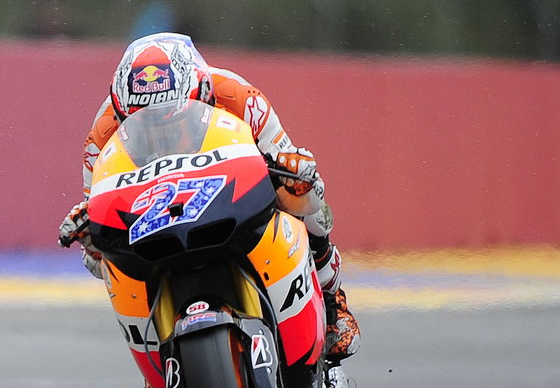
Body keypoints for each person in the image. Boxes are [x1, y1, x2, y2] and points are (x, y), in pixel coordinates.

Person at [56, 32, 359, 361]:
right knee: (100, 263)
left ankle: (333, 304)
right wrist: (90, 237)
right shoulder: (101, 137)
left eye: (171, 118)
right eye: (144, 121)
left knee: (305, 193)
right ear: (121, 109)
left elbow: (288, 163)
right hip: (156, 213)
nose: (161, 132)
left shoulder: (238, 96)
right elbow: (98, 220)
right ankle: (157, 352)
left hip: (226, 191)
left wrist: (293, 171)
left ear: (201, 92)